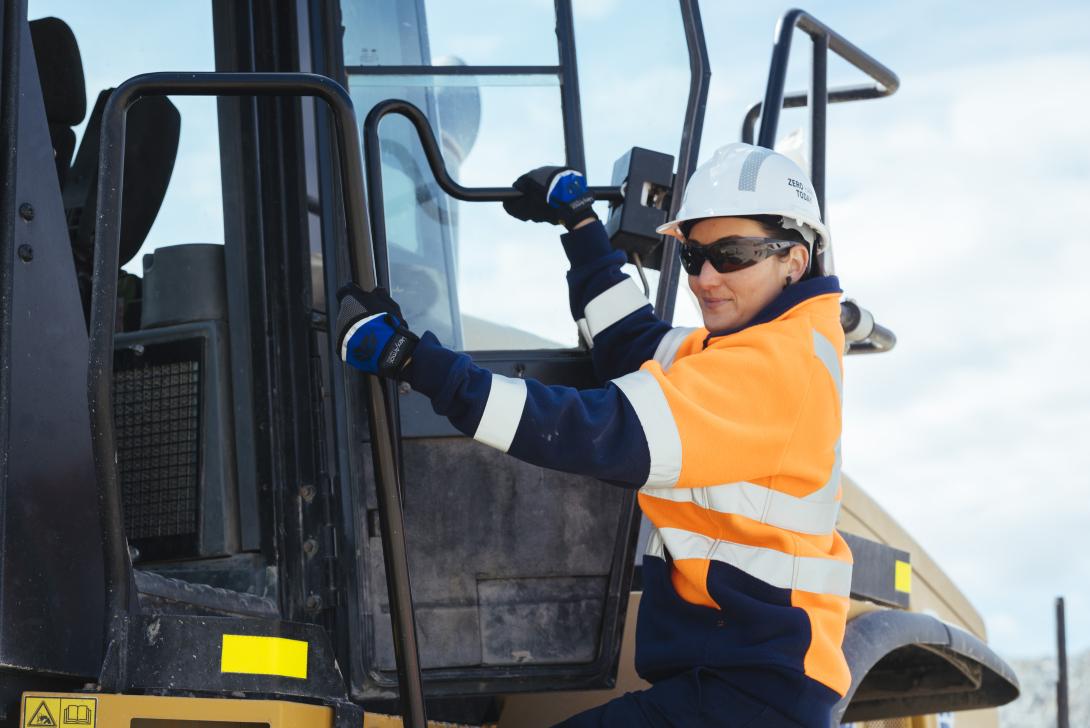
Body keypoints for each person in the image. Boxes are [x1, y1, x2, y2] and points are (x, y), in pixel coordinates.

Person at [336, 142, 851, 727]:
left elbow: (596, 431)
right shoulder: (741, 349)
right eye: (694, 257)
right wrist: (579, 223)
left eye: (731, 255)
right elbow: (631, 344)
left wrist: (415, 362)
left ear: (795, 259)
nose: (705, 279)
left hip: (753, 694)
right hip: (735, 684)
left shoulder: (777, 367)